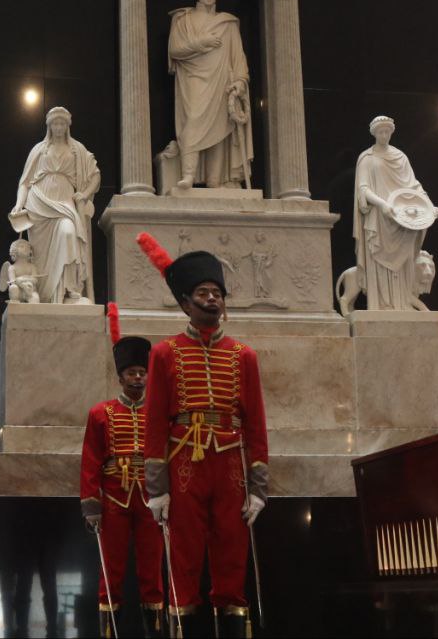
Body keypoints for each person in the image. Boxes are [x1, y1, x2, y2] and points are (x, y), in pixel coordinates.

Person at [135, 233, 268, 638]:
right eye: (203, 293)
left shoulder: (244, 355)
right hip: (183, 464)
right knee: (185, 556)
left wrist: (258, 488)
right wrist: (156, 489)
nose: (212, 299)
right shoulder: (163, 354)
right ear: (185, 303)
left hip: (230, 464)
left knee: (232, 555)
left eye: (217, 293)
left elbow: (256, 423)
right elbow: (154, 421)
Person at [80, 305, 164, 638]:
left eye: (142, 373)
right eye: (132, 373)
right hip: (114, 498)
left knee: (152, 573)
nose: (138, 378)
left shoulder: (159, 413)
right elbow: (91, 459)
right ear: (121, 376)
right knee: (110, 572)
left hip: (150, 498)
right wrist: (91, 505)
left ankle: (154, 632)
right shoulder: (101, 413)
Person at [168, 0, 254, 190]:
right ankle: (188, 175)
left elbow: (238, 56)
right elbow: (175, 50)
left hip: (222, 81)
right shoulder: (183, 19)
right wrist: (200, 42)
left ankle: (215, 181)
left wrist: (241, 81)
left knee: (220, 129)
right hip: (194, 79)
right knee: (194, 120)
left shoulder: (228, 23)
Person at [9, 106, 100, 303]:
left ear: (67, 126)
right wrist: (19, 204)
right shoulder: (40, 150)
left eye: (62, 123)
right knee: (40, 255)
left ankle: (68, 289)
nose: (58, 127)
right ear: (49, 126)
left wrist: (83, 194)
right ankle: (41, 294)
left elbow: (95, 176)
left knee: (68, 233)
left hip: (65, 205)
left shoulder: (77, 150)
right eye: (55, 124)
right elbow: (24, 182)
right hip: (39, 204)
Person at [352, 116, 438, 310]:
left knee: (404, 264)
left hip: (402, 220)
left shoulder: (401, 157)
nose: (384, 135)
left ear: (391, 132)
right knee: (379, 261)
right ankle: (382, 305)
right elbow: (363, 189)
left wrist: (430, 206)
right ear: (374, 133)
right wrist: (383, 205)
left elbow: (414, 186)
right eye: (380, 132)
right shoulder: (367, 158)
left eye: (387, 132)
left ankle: (403, 305)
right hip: (380, 217)